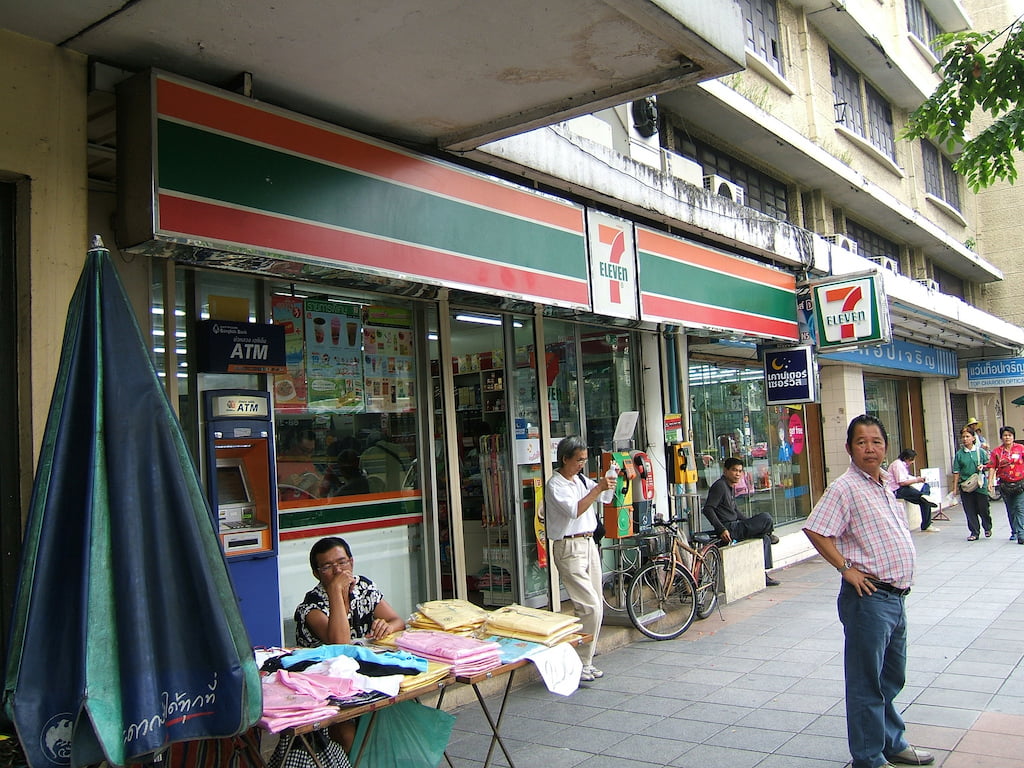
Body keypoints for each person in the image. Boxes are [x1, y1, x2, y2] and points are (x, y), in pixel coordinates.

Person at [803, 414, 934, 768]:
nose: (870, 448)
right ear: (849, 448)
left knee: (890, 678)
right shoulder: (844, 488)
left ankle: (892, 743)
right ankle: (868, 758)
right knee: (866, 682)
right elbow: (816, 530)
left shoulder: (884, 483)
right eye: (861, 442)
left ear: (886, 447)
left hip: (896, 598)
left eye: (876, 442)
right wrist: (845, 568)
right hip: (868, 599)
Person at [294, 537, 406, 753]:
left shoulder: (363, 587)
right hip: (325, 691)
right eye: (328, 566)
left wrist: (386, 626)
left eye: (342, 562)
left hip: (364, 680)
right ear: (317, 574)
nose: (338, 571)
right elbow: (340, 644)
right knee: (351, 740)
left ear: (351, 562)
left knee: (394, 725)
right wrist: (336, 592)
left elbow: (397, 621)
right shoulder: (310, 607)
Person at [544, 435, 615, 683]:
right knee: (589, 606)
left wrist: (609, 483)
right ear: (565, 459)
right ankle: (580, 662)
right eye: (579, 460)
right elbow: (575, 510)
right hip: (569, 546)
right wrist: (598, 488)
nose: (582, 464)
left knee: (595, 605)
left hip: (588, 543)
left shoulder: (581, 479)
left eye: (585, 459)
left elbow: (604, 498)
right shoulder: (556, 485)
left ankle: (585, 660)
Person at [702, 457, 780, 587]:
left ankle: (762, 573)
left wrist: (750, 523)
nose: (737, 474)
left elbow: (735, 511)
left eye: (740, 471)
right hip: (730, 529)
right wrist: (721, 529)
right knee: (766, 518)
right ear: (725, 471)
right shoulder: (720, 486)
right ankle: (768, 532)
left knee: (765, 539)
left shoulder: (730, 487)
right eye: (734, 470)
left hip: (737, 526)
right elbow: (708, 509)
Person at [951, 427, 992, 541]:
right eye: (963, 437)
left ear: (973, 438)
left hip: (980, 485)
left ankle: (987, 527)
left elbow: (989, 466)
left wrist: (983, 467)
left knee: (983, 508)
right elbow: (956, 472)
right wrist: (955, 488)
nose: (965, 439)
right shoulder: (959, 454)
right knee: (969, 510)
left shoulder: (981, 452)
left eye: (967, 436)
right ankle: (974, 532)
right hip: (966, 486)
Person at [986, 426, 1024, 543]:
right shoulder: (997, 452)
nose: (1007, 437)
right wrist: (990, 482)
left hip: (1020, 483)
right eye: (1005, 435)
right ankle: (1014, 531)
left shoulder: (1021, 448)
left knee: (1019, 508)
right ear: (1001, 437)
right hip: (1005, 485)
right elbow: (992, 467)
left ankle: (1021, 533)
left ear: (1013, 437)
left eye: (1009, 435)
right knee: (1010, 509)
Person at [887, 449, 938, 532]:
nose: (912, 462)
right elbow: (902, 482)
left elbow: (907, 477)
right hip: (898, 490)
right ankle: (926, 524)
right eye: (911, 460)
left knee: (925, 488)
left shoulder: (902, 465)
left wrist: (918, 479)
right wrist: (916, 480)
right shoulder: (897, 465)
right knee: (925, 501)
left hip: (904, 487)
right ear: (906, 458)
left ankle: (924, 496)